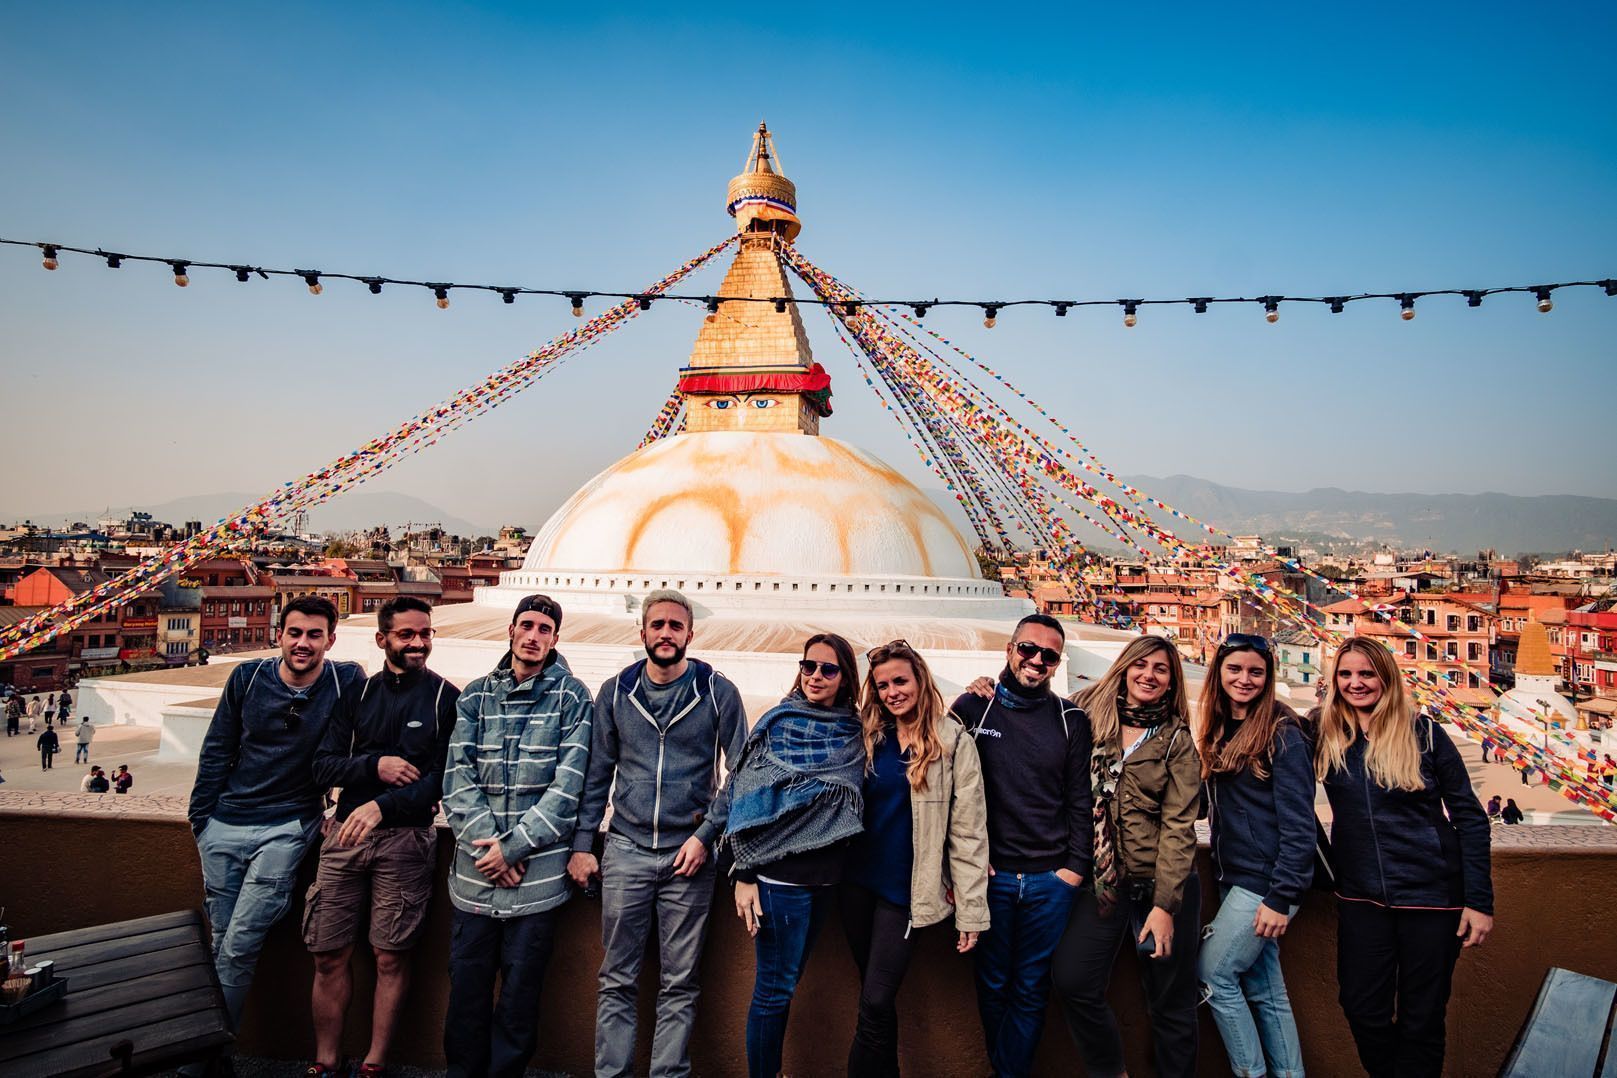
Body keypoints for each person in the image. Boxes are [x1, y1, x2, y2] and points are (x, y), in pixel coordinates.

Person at [566, 590, 747, 1078]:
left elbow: (743, 772)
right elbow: (597, 773)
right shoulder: (617, 691)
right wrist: (584, 844)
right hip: (625, 849)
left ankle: (667, 1073)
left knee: (680, 981)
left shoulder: (715, 691)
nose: (666, 633)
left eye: (675, 625)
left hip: (688, 855)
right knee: (616, 978)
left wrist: (707, 834)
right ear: (642, 632)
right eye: (657, 624)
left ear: (691, 634)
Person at [1316, 637, 1493, 1077]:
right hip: (1361, 899)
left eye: (1366, 674)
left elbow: (1470, 818)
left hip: (1433, 898)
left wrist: (1479, 901)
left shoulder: (1425, 734)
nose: (1355, 683)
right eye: (1346, 674)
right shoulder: (1326, 733)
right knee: (1361, 1008)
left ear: (1386, 678)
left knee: (1422, 1019)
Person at [187, 595, 366, 1029]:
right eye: (295, 633)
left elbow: (364, 743)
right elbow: (218, 749)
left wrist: (342, 807)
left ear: (331, 640)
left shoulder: (345, 682)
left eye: (314, 635)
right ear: (279, 635)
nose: (303, 643)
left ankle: (199, 1060)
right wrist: (201, 822)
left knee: (240, 945)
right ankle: (211, 1051)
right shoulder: (247, 677)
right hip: (224, 825)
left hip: (287, 827)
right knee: (219, 944)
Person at [305, 596, 460, 1078]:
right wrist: (374, 766)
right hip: (346, 837)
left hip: (406, 839)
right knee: (329, 953)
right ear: (382, 640)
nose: (419, 643)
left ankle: (374, 1062)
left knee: (390, 956)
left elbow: (443, 778)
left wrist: (382, 804)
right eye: (407, 635)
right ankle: (326, 1060)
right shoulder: (356, 696)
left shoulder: (444, 698)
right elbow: (322, 765)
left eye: (426, 634)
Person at [440, 594, 593, 1078]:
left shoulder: (573, 697)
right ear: (510, 630)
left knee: (521, 995)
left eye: (544, 629)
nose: (533, 636)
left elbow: (569, 785)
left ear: (554, 639)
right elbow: (457, 776)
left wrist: (514, 847)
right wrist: (492, 848)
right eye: (526, 625)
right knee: (466, 987)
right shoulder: (476, 694)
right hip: (476, 877)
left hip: (538, 880)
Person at [1048, 634, 1203, 1078]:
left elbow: (1178, 827)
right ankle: (1111, 1071)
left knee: (1171, 1002)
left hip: (1163, 885)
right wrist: (986, 688)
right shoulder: (1086, 712)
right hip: (1103, 882)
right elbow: (1033, 710)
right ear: (1125, 666)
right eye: (1141, 665)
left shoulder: (1176, 741)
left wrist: (1164, 906)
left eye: (1161, 669)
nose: (1148, 676)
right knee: (1074, 979)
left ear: (1172, 681)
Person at [953, 613, 1092, 1078]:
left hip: (1049, 880)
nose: (1035, 661)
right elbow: (943, 787)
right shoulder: (975, 709)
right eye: (1027, 649)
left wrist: (1073, 870)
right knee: (992, 983)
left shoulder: (1071, 720)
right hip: (989, 877)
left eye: (1048, 655)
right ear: (1009, 650)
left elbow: (1079, 800)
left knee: (1031, 986)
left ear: (1056, 664)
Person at [842, 639, 990, 1077]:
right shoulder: (868, 735)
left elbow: (968, 831)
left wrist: (971, 909)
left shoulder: (951, 741)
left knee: (875, 1000)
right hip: (856, 885)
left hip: (906, 892)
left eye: (900, 681)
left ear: (920, 681)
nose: (892, 692)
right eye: (883, 685)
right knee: (874, 1003)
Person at [724, 633, 866, 1078]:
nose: (816, 676)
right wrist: (745, 870)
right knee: (774, 989)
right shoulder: (779, 722)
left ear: (846, 679)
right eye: (809, 666)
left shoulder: (856, 728)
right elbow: (745, 794)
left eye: (828, 669)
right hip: (781, 880)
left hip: (828, 879)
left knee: (787, 983)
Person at [1195, 633, 1313, 1078]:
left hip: (1265, 882)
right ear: (1219, 673)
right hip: (1235, 876)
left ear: (1268, 677)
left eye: (1255, 672)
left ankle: (1251, 1073)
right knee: (1265, 989)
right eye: (1235, 669)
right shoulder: (1222, 726)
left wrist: (1281, 896)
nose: (1244, 680)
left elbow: (1300, 826)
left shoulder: (1283, 734)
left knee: (1212, 975)